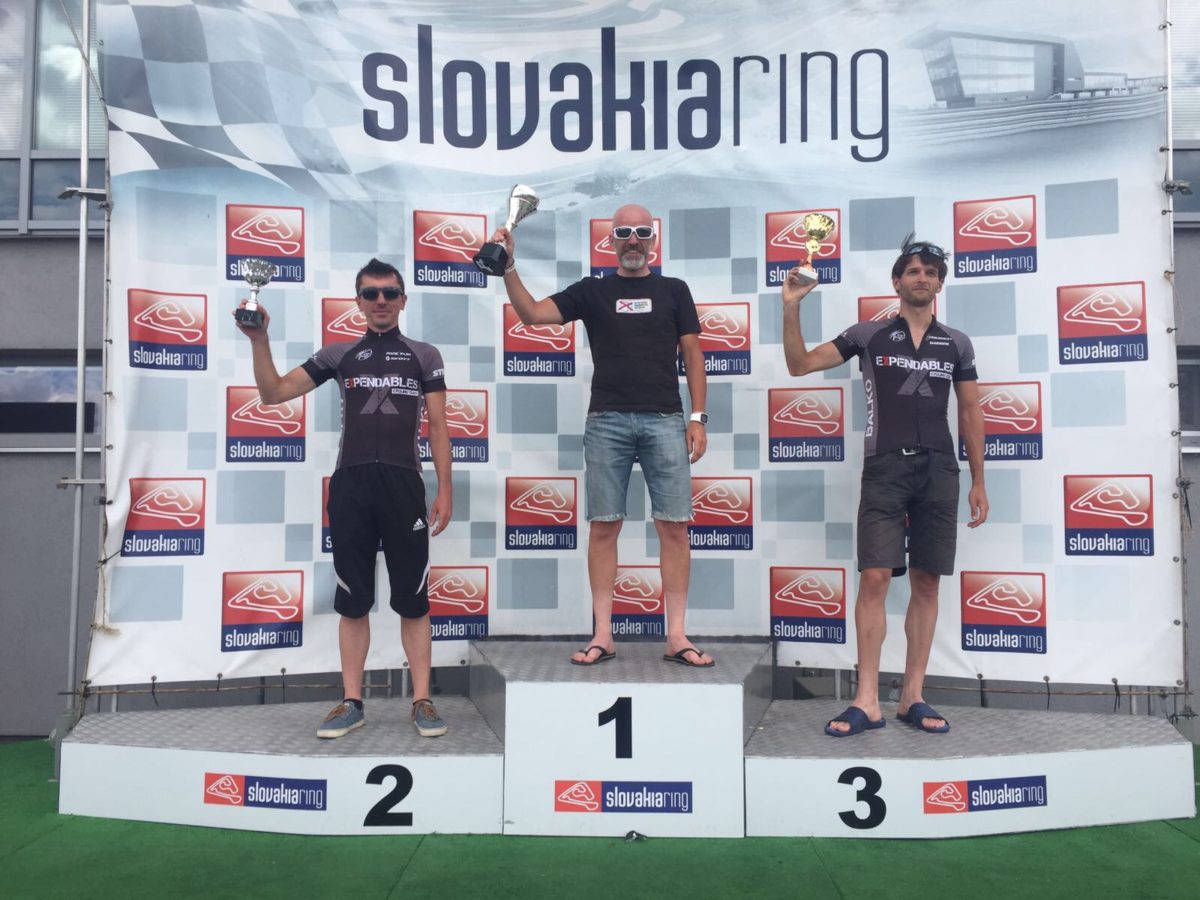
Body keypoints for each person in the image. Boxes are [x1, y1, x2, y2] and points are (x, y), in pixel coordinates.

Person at [234, 258, 453, 739]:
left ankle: (422, 700)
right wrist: (259, 340)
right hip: (351, 487)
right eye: (371, 294)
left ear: (403, 300)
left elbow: (438, 427)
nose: (381, 301)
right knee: (353, 600)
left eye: (389, 293)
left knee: (413, 600)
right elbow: (273, 394)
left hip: (405, 487)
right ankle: (352, 702)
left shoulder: (424, 354)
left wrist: (445, 489)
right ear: (358, 302)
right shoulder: (339, 354)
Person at [490, 204, 714, 667]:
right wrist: (509, 266)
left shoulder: (674, 290)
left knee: (674, 527)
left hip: (665, 420)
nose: (633, 240)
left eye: (642, 232)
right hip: (607, 422)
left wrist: (698, 417)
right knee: (604, 526)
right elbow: (532, 315)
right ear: (610, 240)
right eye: (624, 232)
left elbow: (693, 354)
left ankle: (676, 636)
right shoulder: (593, 290)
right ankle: (603, 635)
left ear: (653, 240)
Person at [780, 237, 988, 736]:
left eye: (931, 272)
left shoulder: (956, 343)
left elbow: (970, 410)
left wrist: (979, 480)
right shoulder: (868, 334)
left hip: (939, 469)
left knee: (927, 580)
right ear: (897, 281)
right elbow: (800, 364)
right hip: (885, 468)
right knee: (874, 577)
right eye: (913, 271)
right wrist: (791, 308)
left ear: (940, 284)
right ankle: (867, 700)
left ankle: (913, 696)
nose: (922, 278)